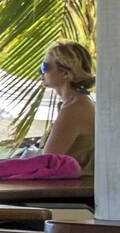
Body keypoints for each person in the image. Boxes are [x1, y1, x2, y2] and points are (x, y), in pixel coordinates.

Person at [41, 40, 95, 171]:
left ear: (65, 73)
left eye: (45, 67)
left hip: (72, 189)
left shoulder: (75, 109)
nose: (41, 72)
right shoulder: (81, 103)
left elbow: (46, 162)